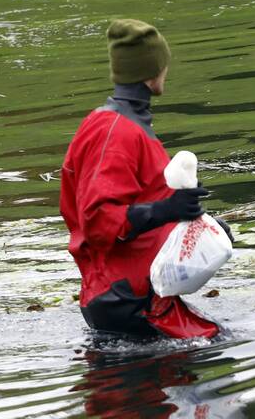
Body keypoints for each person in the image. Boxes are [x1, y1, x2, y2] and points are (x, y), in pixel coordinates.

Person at [61, 18, 225, 340]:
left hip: (141, 293)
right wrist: (167, 210)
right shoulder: (115, 131)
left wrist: (204, 226)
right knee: (216, 349)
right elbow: (98, 220)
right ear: (152, 73)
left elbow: (142, 207)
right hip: (127, 299)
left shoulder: (126, 126)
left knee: (214, 343)